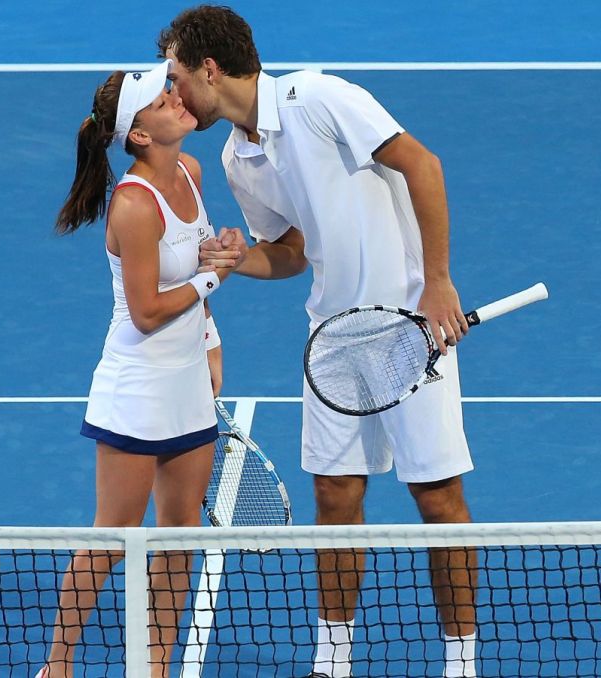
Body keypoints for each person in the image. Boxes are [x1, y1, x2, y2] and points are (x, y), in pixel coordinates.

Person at [157, 7, 478, 677]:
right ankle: (332, 661)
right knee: (335, 497)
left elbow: (423, 165)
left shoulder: (322, 98)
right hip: (332, 340)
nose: (173, 94)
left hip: (410, 331)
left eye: (177, 77)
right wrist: (238, 258)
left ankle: (461, 662)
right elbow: (293, 252)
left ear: (210, 71)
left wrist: (438, 282)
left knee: (437, 497)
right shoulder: (235, 157)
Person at [37, 59, 231, 678]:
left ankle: (153, 669)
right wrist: (212, 278)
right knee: (113, 537)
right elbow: (147, 311)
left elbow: (198, 271)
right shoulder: (133, 206)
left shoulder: (194, 175)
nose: (178, 97)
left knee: (178, 537)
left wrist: (210, 342)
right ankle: (58, 664)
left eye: (172, 88)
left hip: (187, 387)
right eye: (162, 98)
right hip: (137, 387)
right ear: (140, 135)